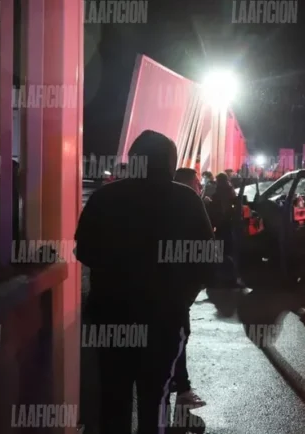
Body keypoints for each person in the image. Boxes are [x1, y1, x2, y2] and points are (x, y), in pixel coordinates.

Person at [75, 130, 215, 434]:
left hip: (112, 317)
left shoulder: (105, 197)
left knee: (114, 398)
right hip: (164, 319)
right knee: (156, 400)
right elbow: (207, 260)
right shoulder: (187, 200)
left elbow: (84, 251)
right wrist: (182, 299)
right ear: (169, 161)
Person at [170, 168, 209, 409]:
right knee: (178, 335)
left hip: (148, 289)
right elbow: (206, 249)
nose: (200, 186)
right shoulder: (190, 202)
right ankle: (181, 388)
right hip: (175, 290)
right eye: (197, 182)